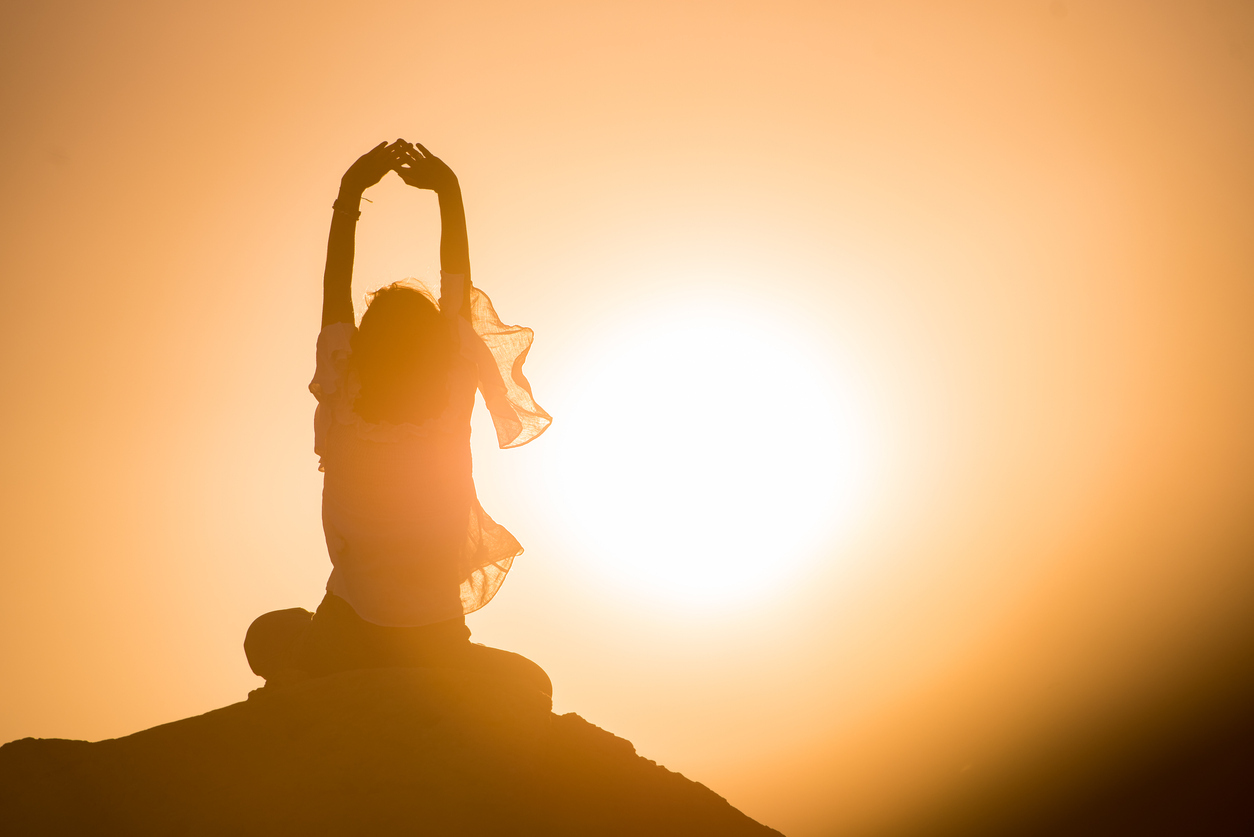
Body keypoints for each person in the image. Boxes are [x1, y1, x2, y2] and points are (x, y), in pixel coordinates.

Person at [245, 140, 552, 696]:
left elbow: (334, 289)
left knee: (268, 635)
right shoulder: (453, 390)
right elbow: (455, 283)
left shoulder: (343, 384)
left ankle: (329, 672)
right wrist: (447, 191)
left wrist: (351, 195)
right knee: (530, 685)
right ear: (438, 345)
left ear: (366, 343)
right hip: (435, 634)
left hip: (348, 629)